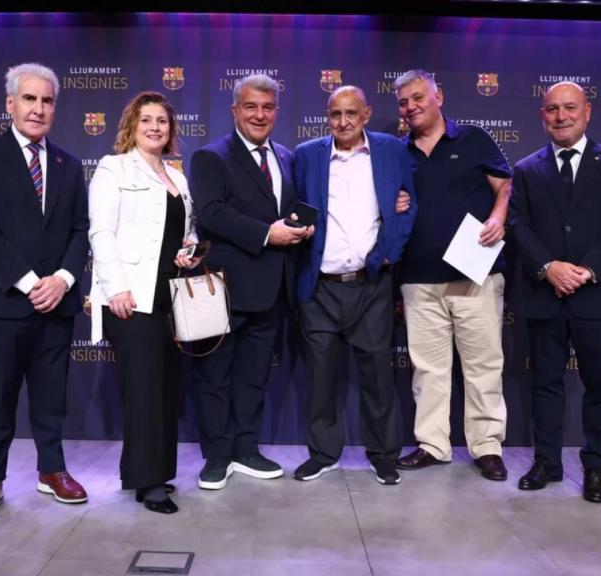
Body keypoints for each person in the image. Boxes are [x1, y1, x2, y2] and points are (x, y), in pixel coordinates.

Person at [0, 63, 89, 518]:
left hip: (58, 302)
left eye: (47, 100)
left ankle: (52, 470)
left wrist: (63, 280)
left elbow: (80, 230)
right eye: (29, 99)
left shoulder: (70, 165)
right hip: (2, 303)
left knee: (52, 395)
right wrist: (33, 283)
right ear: (10, 104)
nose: (38, 109)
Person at [508, 81, 601, 503]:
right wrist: (549, 267)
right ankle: (546, 462)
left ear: (587, 112)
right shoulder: (526, 169)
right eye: (552, 109)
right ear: (542, 116)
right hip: (545, 294)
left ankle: (596, 467)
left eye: (569, 108)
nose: (561, 116)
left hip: (598, 295)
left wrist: (588, 270)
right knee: (545, 384)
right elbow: (518, 224)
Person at [189, 74, 312, 490]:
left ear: (277, 111)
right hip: (222, 288)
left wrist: (301, 227)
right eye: (250, 107)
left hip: (273, 289)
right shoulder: (211, 157)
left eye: (267, 107)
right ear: (234, 110)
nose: (259, 115)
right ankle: (217, 457)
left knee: (253, 377)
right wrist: (266, 234)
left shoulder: (286, 156)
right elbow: (211, 213)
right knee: (214, 376)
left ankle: (245, 449)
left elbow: (286, 209)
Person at [292, 86, 416, 486]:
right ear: (327, 116)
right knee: (320, 377)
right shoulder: (306, 154)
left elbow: (407, 204)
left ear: (366, 114)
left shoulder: (391, 150)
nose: (343, 122)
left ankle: (383, 455)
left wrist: (387, 254)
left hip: (371, 283)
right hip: (320, 286)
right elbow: (294, 208)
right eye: (335, 114)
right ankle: (323, 454)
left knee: (378, 376)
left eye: (351, 113)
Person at [393, 69, 512, 482]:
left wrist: (498, 219)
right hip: (418, 278)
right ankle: (432, 444)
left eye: (418, 97)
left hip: (475, 275)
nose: (411, 107)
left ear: (438, 96)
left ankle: (487, 447)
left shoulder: (473, 138)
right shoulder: (398, 152)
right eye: (403, 102)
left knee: (483, 366)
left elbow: (505, 187)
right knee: (428, 370)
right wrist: (396, 203)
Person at [87, 91, 198, 515]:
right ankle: (146, 481)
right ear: (132, 125)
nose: (155, 127)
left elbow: (184, 232)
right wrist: (115, 287)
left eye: (162, 121)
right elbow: (101, 231)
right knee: (145, 390)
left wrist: (189, 251)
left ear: (171, 129)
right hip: (131, 299)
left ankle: (156, 473)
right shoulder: (112, 168)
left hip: (169, 297)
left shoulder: (177, 177)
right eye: (146, 119)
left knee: (165, 388)